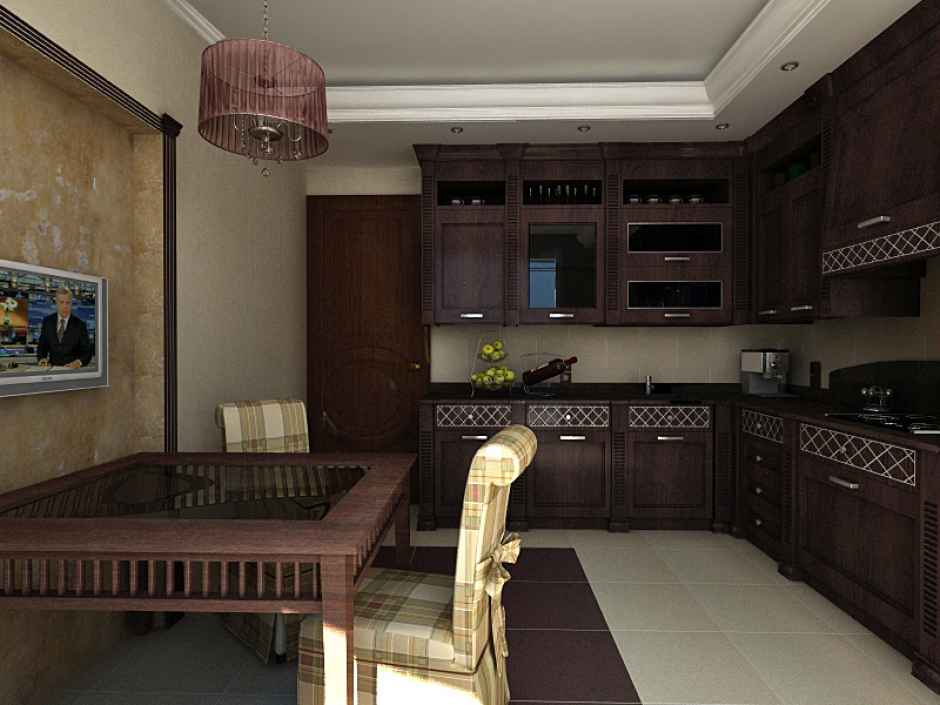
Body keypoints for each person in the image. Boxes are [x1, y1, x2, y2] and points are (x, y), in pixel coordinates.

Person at [36, 287, 92, 369]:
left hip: (72, 371)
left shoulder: (80, 325)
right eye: (61, 302)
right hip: (52, 371)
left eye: (68, 303)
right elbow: (42, 346)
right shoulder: (47, 322)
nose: (65, 306)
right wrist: (42, 358)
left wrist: (79, 362)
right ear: (56, 303)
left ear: (71, 304)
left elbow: (87, 352)